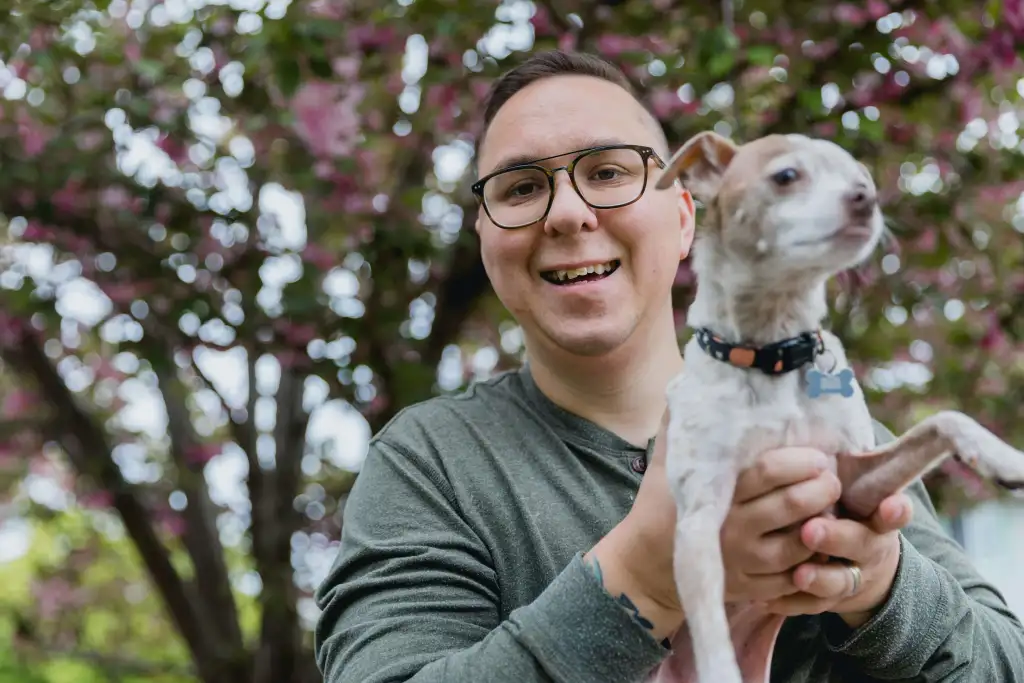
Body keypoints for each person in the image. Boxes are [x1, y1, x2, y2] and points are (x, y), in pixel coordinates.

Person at [313, 49, 1024, 683]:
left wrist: (881, 583)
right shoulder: (429, 462)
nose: (567, 213)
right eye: (521, 188)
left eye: (609, 172)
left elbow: (1004, 660)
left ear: (687, 215)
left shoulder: (832, 419)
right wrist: (644, 578)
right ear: (486, 237)